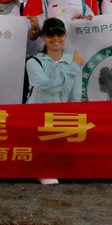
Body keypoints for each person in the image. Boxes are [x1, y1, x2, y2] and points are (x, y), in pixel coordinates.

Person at [26, 17, 84, 185]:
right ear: (43, 38)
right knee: (43, 148)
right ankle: (42, 171)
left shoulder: (73, 60)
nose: (55, 38)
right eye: (50, 34)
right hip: (39, 114)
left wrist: (74, 117)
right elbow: (48, 86)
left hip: (63, 114)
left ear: (65, 36)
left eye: (60, 33)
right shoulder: (34, 62)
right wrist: (73, 67)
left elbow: (76, 94)